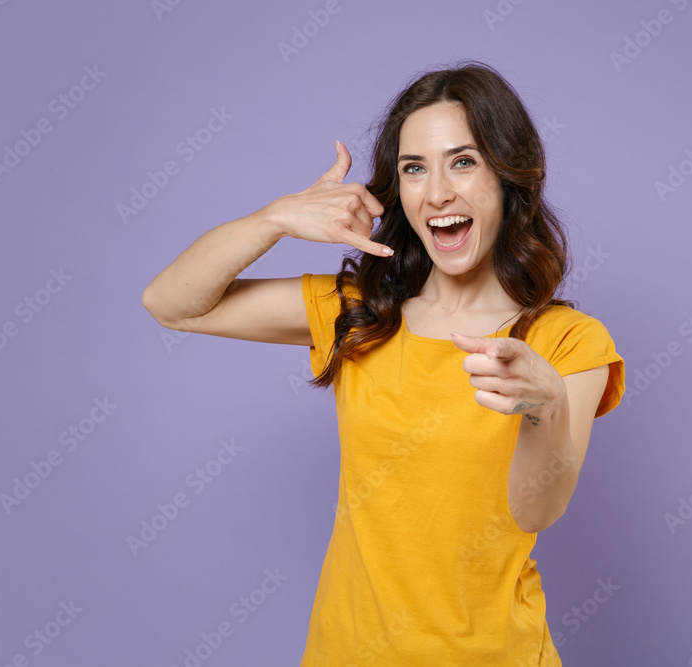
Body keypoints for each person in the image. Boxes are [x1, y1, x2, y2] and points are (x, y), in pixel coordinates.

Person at [142, 60, 624, 666]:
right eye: (414, 168)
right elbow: (170, 303)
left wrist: (545, 408)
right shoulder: (360, 314)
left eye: (463, 161)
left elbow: (536, 510)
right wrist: (275, 219)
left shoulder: (567, 342)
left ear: (508, 176)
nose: (438, 192)